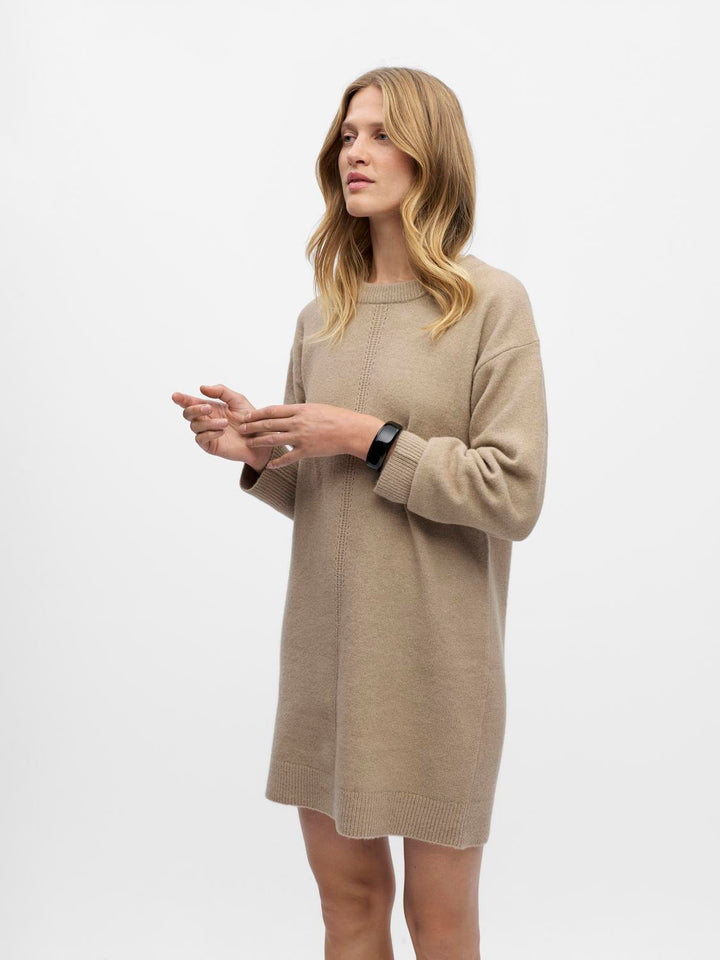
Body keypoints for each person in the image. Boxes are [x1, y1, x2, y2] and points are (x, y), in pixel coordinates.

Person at [172, 67, 548, 960]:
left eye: (381, 134)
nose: (357, 153)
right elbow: (331, 498)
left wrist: (369, 436)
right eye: (347, 136)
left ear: (430, 154)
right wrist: (257, 454)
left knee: (438, 921)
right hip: (326, 657)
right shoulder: (321, 317)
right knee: (347, 905)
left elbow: (513, 492)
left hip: (436, 664)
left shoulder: (490, 304)